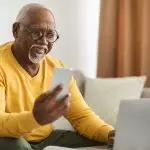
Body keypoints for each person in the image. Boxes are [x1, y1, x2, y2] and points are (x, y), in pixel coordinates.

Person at [0, 3, 115, 150]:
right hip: (11, 139)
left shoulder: (56, 68)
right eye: (36, 33)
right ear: (16, 30)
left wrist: (110, 133)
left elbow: (80, 116)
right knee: (14, 144)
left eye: (49, 35)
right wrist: (35, 118)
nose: (43, 42)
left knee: (103, 143)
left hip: (47, 139)